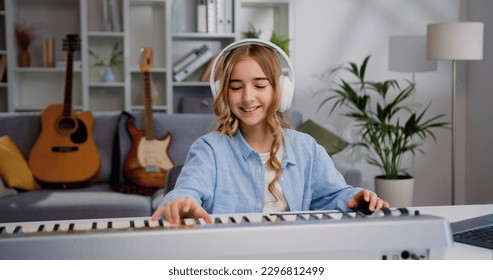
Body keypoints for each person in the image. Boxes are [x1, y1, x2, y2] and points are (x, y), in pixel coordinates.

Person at [152, 39, 389, 224]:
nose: (247, 97)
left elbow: (335, 195)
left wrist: (355, 197)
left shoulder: (306, 148)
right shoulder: (209, 150)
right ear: (223, 94)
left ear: (280, 91)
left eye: (260, 85)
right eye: (236, 87)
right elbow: (187, 191)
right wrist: (180, 203)